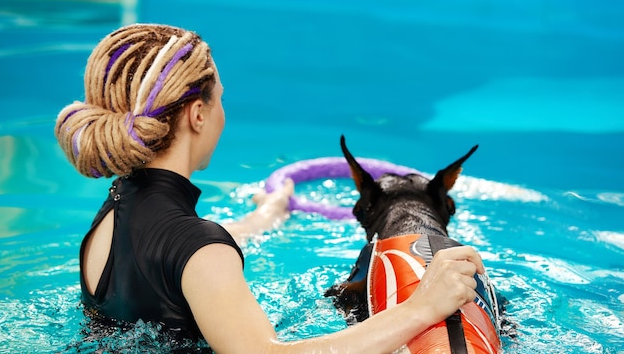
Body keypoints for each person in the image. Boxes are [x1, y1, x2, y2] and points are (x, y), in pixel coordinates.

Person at [55, 23, 485, 354]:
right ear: (197, 115)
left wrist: (268, 214)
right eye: (220, 99)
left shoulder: (109, 215)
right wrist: (422, 307)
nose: (224, 112)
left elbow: (172, 262)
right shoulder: (200, 247)